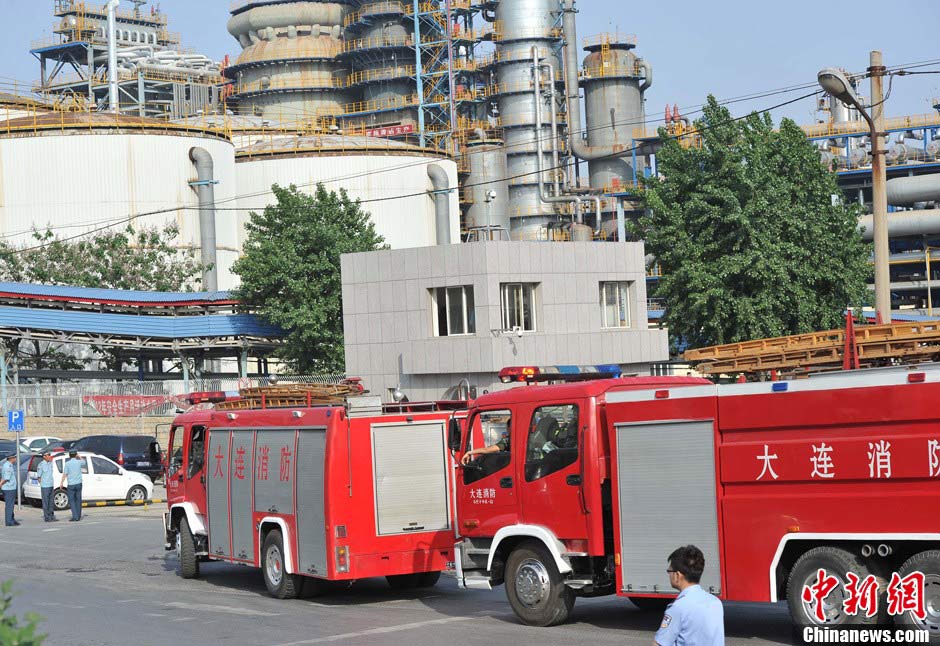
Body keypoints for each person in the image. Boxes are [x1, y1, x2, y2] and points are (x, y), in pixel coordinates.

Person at [654, 545, 724, 646]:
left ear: (677, 575)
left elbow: (659, 643)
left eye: (669, 571)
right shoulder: (715, 602)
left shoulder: (678, 607)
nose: (669, 575)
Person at [60, 450, 83, 522]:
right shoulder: (79, 462)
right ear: (76, 455)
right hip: (79, 483)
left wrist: (61, 482)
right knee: (78, 500)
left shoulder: (67, 464)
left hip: (71, 484)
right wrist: (79, 456)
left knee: (72, 501)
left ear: (69, 456)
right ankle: (78, 516)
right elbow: (84, 461)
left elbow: (65, 474)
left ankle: (75, 516)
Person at [37, 451, 57, 522]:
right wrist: (42, 484)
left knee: (51, 502)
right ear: (44, 456)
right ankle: (47, 517)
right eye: (48, 455)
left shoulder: (50, 463)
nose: (49, 456)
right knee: (46, 502)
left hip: (51, 485)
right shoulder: (41, 465)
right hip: (45, 486)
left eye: (49, 455)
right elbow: (38, 477)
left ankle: (52, 516)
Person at [0, 454, 19, 526]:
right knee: (9, 505)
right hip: (9, 488)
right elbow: (6, 478)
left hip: (10, 487)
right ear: (11, 458)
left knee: (11, 505)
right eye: (15, 457)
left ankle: (12, 519)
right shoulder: (8, 466)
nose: (15, 459)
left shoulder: (8, 465)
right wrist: (1, 483)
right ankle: (9, 521)